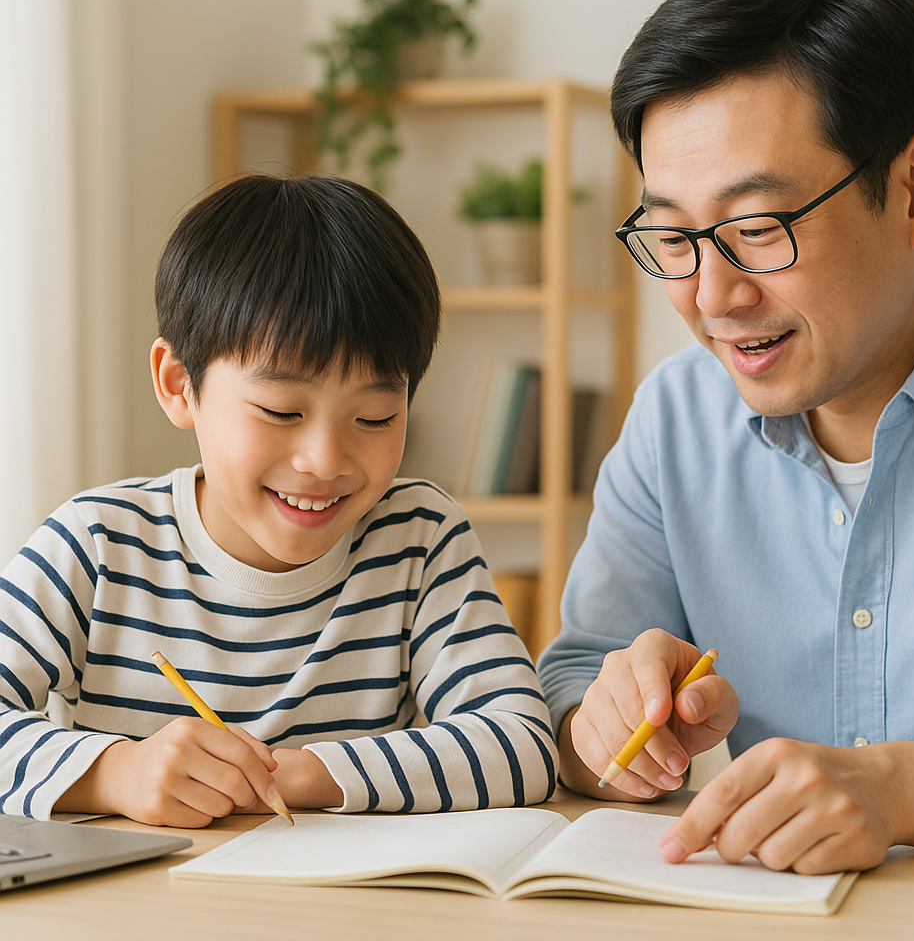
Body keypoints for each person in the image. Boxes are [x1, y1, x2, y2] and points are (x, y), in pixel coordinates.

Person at [537, 0, 914, 874]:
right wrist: (613, 727)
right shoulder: (673, 422)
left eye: (759, 228)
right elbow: (573, 681)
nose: (712, 297)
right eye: (674, 237)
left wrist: (901, 788)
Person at [0, 174, 556, 826]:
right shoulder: (98, 545)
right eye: (280, 411)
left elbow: (520, 744)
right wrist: (114, 775)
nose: (324, 461)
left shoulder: (418, 538)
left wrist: (295, 773)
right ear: (180, 386)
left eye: (375, 417)